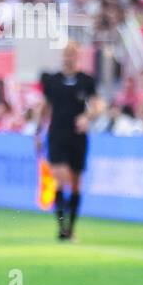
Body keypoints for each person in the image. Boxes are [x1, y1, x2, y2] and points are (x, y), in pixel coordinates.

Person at [37, 42, 100, 240]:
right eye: (66, 53)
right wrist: (38, 132)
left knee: (75, 184)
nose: (68, 57)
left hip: (77, 137)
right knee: (60, 178)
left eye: (72, 53)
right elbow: (45, 108)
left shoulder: (86, 81)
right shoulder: (53, 81)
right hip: (57, 134)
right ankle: (61, 227)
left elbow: (97, 105)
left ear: (78, 56)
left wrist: (87, 118)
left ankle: (70, 228)